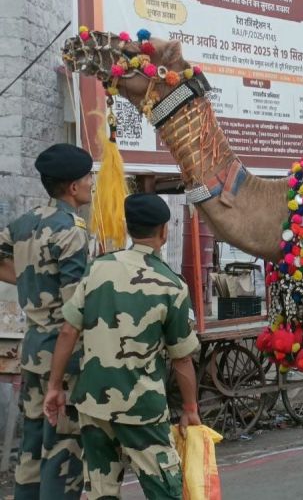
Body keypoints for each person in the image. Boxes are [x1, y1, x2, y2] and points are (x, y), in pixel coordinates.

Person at [43, 194, 201, 499]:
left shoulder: (97, 269)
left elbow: (68, 331)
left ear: (129, 228)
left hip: (94, 405)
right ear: (164, 231)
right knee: (166, 491)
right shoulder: (172, 285)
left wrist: (54, 386)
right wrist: (190, 408)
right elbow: (182, 358)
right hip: (142, 409)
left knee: (101, 491)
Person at [0, 143, 93, 500]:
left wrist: (28, 279)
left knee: (33, 443)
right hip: (63, 355)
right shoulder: (71, 230)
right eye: (88, 177)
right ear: (73, 186)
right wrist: (60, 377)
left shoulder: (24, 222)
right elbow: (73, 316)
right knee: (63, 447)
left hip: (33, 347)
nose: (92, 183)